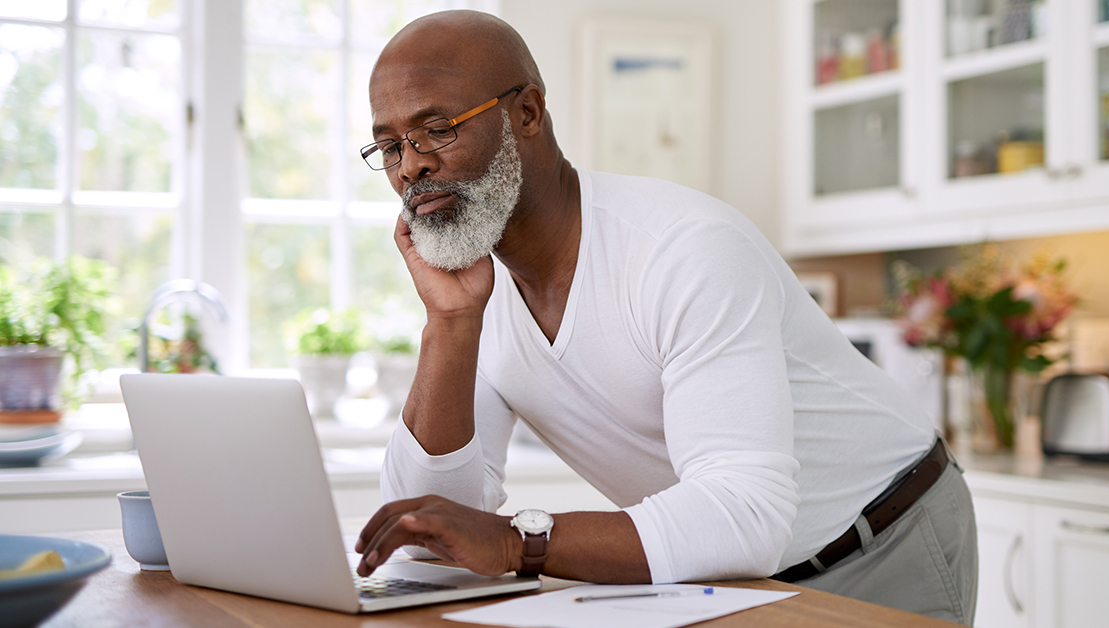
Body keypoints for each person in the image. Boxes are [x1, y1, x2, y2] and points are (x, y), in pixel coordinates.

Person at [353, 10, 977, 624]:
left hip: (881, 536)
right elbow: (424, 529)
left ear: (527, 113)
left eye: (437, 128)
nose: (410, 166)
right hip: (726, 573)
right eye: (388, 146)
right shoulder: (475, 292)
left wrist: (518, 542)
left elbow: (744, 513)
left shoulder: (681, 248)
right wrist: (450, 324)